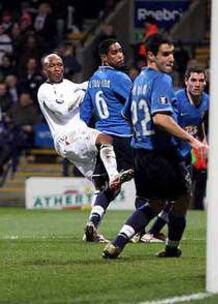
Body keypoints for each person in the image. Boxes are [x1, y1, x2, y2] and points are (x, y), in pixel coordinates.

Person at [102, 33, 208, 259]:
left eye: (172, 53)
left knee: (155, 204)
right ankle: (171, 248)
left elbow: (126, 114)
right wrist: (193, 141)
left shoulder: (139, 79)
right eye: (165, 54)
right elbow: (161, 119)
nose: (171, 58)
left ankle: (117, 242)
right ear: (151, 55)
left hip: (141, 152)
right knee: (182, 199)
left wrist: (141, 132)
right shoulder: (162, 80)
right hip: (160, 153)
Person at [37, 54, 133, 242]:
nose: (57, 68)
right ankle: (115, 174)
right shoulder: (44, 90)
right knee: (105, 138)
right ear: (44, 70)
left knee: (103, 186)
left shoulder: (71, 85)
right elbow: (63, 109)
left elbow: (89, 86)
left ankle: (92, 227)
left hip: (78, 141)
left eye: (60, 65)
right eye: (52, 66)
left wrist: (101, 77)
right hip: (66, 137)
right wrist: (83, 91)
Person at [139, 65, 209, 243]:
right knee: (168, 198)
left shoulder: (207, 101)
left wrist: (203, 141)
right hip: (171, 153)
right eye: (193, 80)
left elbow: (200, 122)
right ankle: (142, 231)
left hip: (188, 154)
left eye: (201, 80)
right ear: (186, 81)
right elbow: (166, 123)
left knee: (177, 199)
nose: (197, 84)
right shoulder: (176, 99)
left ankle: (149, 232)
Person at [80, 39, 135, 243]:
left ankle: (93, 221)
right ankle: (139, 230)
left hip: (102, 140)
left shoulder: (93, 79)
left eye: (121, 51)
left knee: (108, 187)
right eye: (115, 52)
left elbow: (85, 114)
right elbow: (134, 105)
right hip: (124, 137)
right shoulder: (120, 77)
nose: (120, 55)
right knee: (146, 181)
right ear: (104, 57)